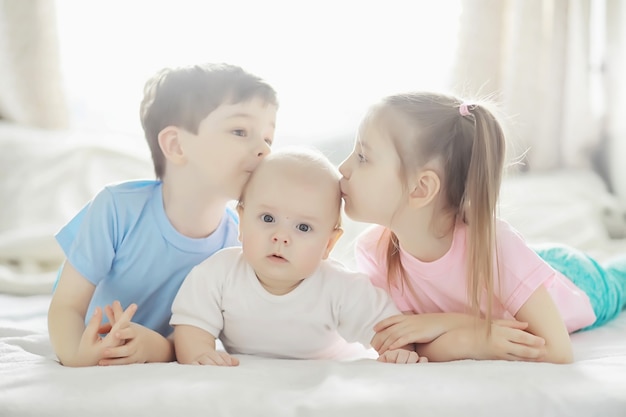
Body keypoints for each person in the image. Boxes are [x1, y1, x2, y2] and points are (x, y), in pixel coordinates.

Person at [338, 91, 626, 364]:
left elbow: (557, 350)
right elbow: (407, 343)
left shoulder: (494, 246)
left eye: (363, 157)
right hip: (520, 275)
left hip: (575, 279)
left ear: (421, 188)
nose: (342, 168)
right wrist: (470, 335)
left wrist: (460, 329)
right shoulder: (374, 252)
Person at [47, 63, 278, 367]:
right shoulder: (116, 209)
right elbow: (66, 307)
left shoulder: (238, 243)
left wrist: (161, 348)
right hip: (94, 338)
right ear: (176, 145)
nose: (263, 149)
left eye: (268, 139)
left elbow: (207, 332)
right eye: (240, 131)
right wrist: (76, 353)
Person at [170, 148, 424, 365]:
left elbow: (390, 331)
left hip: (329, 368)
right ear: (241, 222)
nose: (281, 237)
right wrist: (201, 354)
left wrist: (398, 353)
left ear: (329, 244)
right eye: (268, 219)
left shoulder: (341, 287)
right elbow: (191, 325)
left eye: (303, 228)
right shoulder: (218, 273)